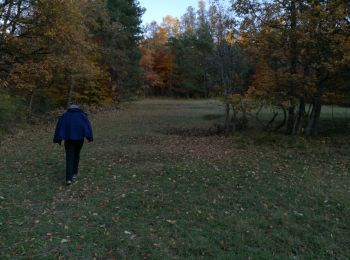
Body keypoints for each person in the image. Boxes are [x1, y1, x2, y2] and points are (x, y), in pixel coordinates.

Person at [53, 104, 93, 186]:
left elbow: (59, 127)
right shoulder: (82, 115)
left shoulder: (65, 116)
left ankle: (69, 178)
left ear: (69, 109)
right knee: (76, 154)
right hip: (79, 140)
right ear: (77, 108)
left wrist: (57, 139)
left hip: (69, 140)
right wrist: (90, 137)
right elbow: (88, 126)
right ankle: (74, 172)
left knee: (69, 157)